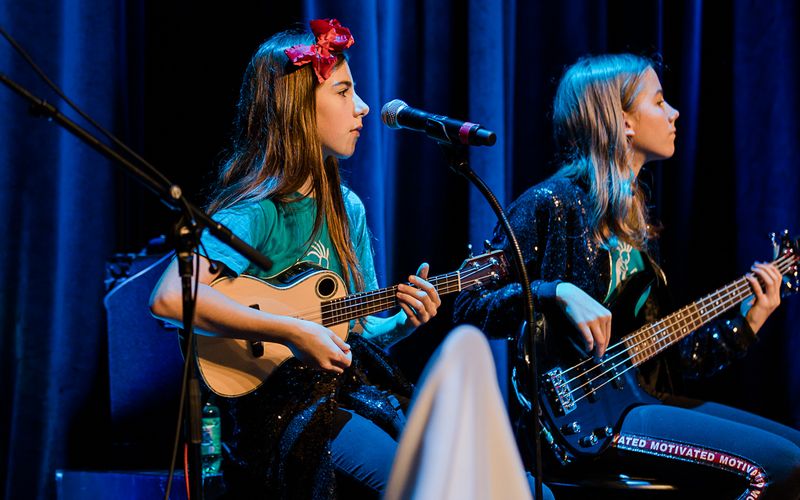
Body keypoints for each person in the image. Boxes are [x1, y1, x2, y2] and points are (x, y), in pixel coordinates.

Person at [454, 53, 800, 498]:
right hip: (578, 422)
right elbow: (468, 305)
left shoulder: (634, 223)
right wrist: (552, 291)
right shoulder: (552, 203)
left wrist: (749, 319)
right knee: (779, 467)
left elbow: (668, 363)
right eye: (659, 101)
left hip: (639, 401)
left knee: (795, 452)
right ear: (624, 122)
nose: (675, 112)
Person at [149, 19, 443, 498]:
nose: (364, 108)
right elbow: (169, 298)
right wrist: (291, 329)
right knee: (419, 480)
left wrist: (402, 325)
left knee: (472, 470)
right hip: (274, 415)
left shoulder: (348, 209)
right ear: (299, 109)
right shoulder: (256, 210)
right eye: (344, 92)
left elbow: (359, 334)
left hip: (344, 397)